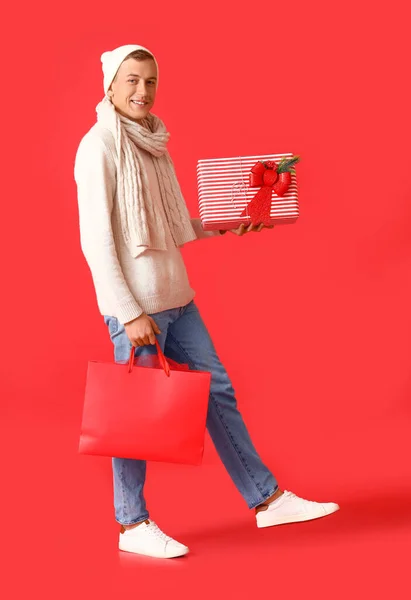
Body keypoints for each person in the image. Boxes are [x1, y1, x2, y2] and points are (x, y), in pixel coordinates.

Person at [74, 44, 339, 559]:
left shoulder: (154, 142)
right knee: (134, 419)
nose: (142, 91)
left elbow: (173, 228)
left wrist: (224, 224)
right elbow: (96, 240)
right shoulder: (99, 145)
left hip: (177, 295)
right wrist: (128, 312)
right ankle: (131, 525)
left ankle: (267, 501)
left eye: (149, 81)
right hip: (139, 308)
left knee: (218, 394)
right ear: (109, 85)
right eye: (131, 81)